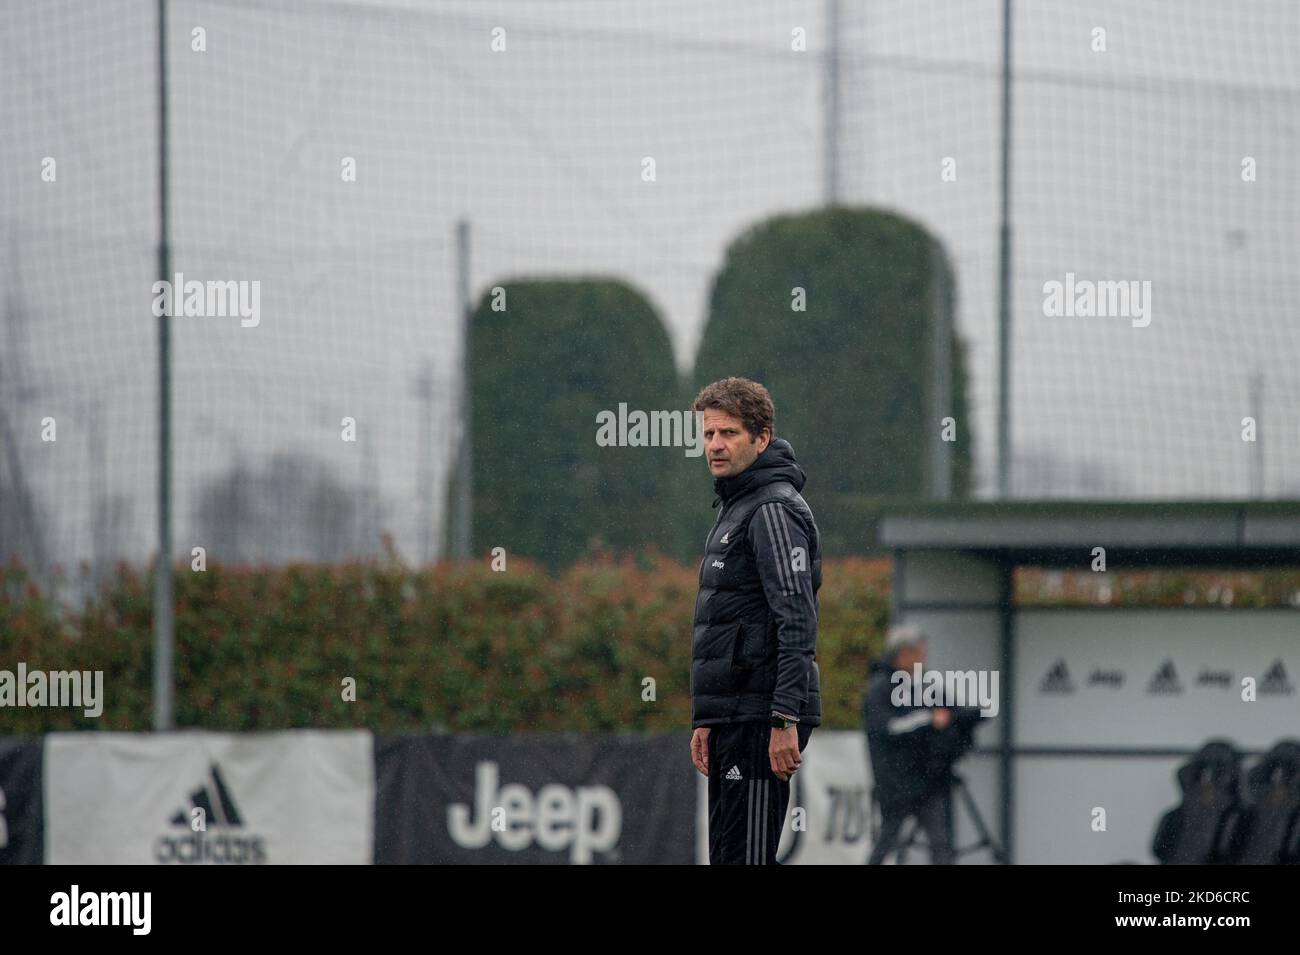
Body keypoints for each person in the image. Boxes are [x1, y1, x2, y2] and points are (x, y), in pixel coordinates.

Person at [687, 377, 822, 865]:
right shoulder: (736, 506)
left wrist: (784, 717)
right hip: (734, 717)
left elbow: (797, 618)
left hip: (762, 717)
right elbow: (723, 629)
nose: (715, 446)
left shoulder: (771, 509)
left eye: (729, 434)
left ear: (761, 439)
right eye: (708, 435)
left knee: (747, 857)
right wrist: (709, 719)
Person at [863, 624, 956, 864]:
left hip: (925, 781)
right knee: (886, 842)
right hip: (895, 784)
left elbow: (946, 709)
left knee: (941, 844)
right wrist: (928, 719)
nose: (923, 661)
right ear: (904, 654)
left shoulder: (920, 684)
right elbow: (887, 728)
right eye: (920, 655)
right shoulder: (879, 687)